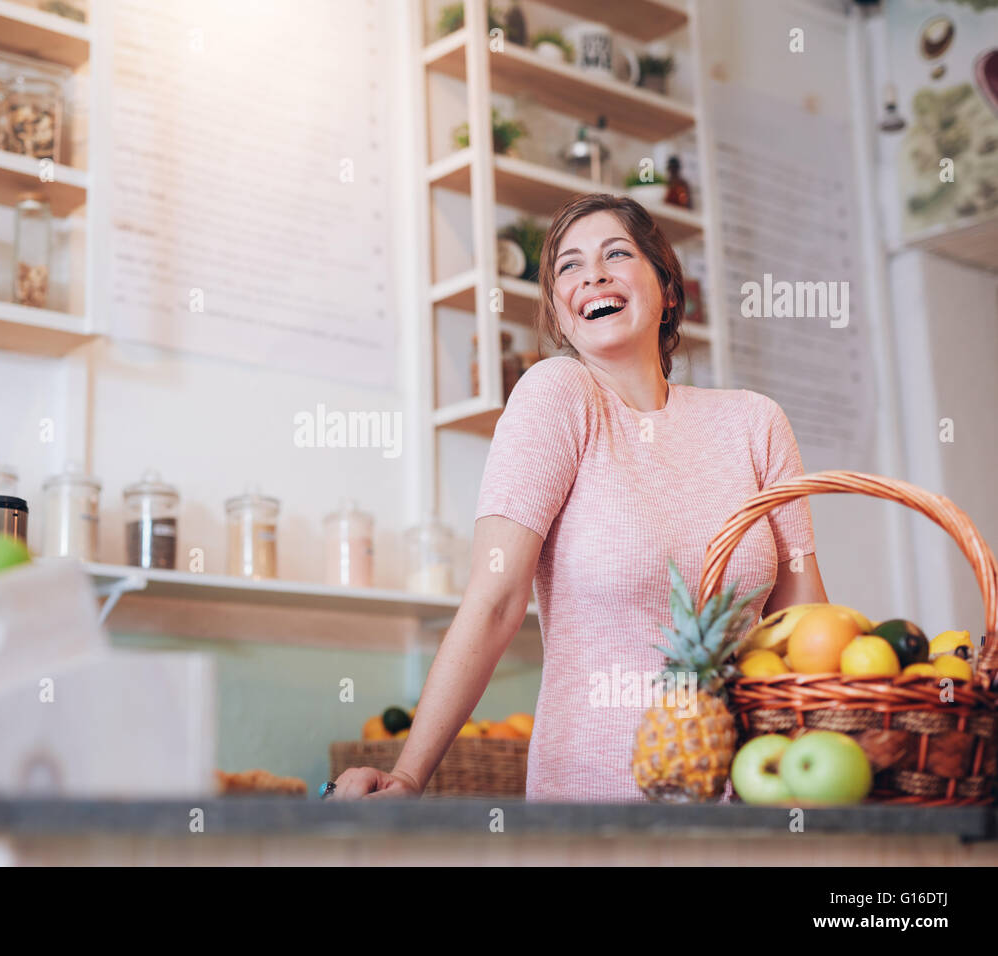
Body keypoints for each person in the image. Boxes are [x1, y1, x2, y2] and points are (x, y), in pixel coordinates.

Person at [331, 193, 828, 802]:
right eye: (568, 265)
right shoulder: (557, 394)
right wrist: (409, 776)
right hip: (595, 800)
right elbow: (495, 599)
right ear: (561, 317)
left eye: (616, 253)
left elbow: (802, 627)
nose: (593, 273)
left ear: (668, 290)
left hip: (756, 793)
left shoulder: (755, 423)